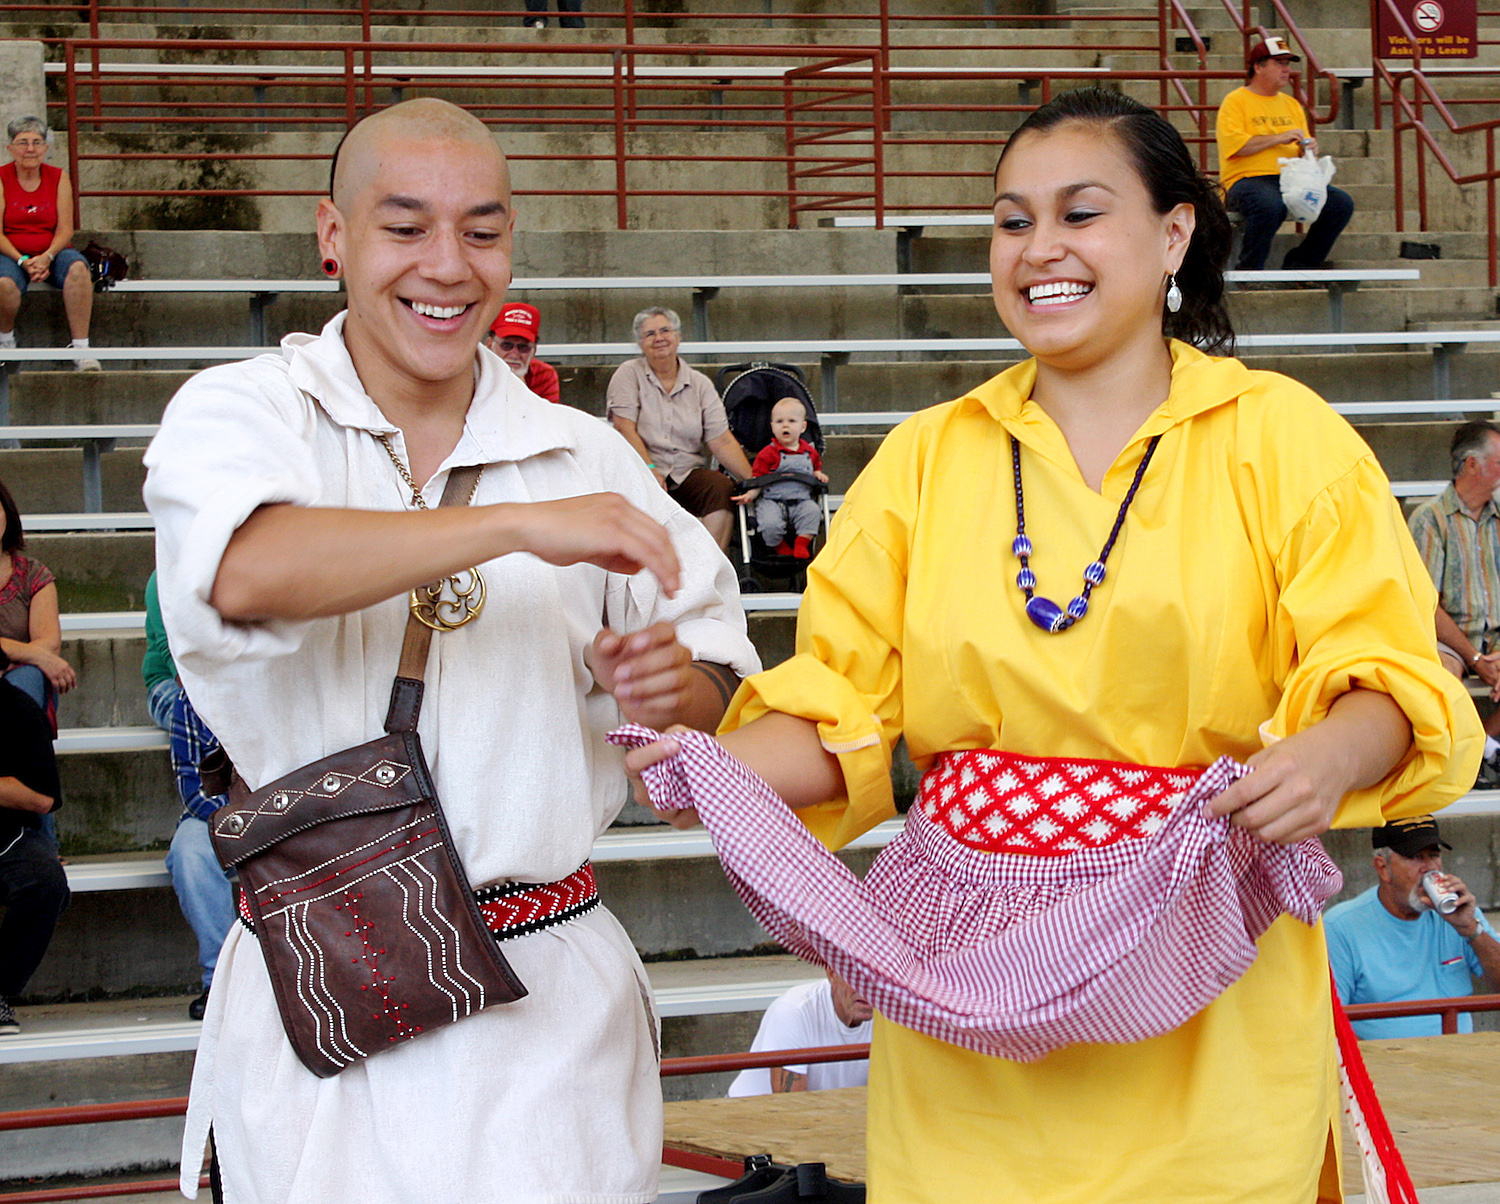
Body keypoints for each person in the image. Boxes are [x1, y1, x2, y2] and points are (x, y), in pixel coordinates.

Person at [625, 88, 1479, 1203]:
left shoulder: (1286, 437)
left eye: (1080, 214)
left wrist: (1326, 756)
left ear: (1174, 232)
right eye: (1012, 220)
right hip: (970, 1018)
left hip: (1208, 997)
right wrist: (703, 767)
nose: (1039, 251)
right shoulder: (929, 457)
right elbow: (840, 706)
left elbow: (1387, 674)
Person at [143, 98, 758, 1204]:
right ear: (332, 234)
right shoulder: (243, 409)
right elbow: (242, 569)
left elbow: (715, 662)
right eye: (406, 226)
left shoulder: (583, 452)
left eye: (481, 231)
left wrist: (681, 690)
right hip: (328, 993)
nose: (448, 265)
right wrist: (514, 522)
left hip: (548, 1008)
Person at [143, 571, 235, 1022]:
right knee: (190, 852)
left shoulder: (286, 689)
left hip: (282, 812)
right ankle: (219, 984)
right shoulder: (188, 701)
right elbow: (192, 787)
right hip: (219, 813)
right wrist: (236, 820)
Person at [1326, 814, 1500, 1040]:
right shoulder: (1341, 926)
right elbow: (1329, 1023)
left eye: (1434, 856)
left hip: (1458, 1060)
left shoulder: (1461, 914)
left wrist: (1471, 930)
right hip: (1386, 1065)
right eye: (1416, 857)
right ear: (1383, 868)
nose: (1429, 868)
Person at [606, 306, 757, 551]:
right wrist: (650, 469)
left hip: (686, 471)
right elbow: (624, 427)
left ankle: (706, 567)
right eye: (650, 334)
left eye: (665, 330)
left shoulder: (700, 384)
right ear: (640, 343)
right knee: (639, 491)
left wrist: (753, 480)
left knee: (720, 488)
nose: (659, 338)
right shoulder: (628, 374)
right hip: (642, 469)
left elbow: (721, 440)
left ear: (678, 337)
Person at [1408, 421, 1500, 784]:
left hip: (1494, 636)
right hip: (1448, 638)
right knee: (1442, 671)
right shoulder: (1430, 520)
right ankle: (1484, 754)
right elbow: (1426, 606)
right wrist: (1475, 658)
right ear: (1473, 465)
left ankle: (1485, 747)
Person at [1216, 36, 1355, 272]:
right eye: (1279, 63)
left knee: (1340, 204)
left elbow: (1302, 143)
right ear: (1258, 67)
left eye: (1288, 64)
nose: (1286, 70)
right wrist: (1279, 138)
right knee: (1270, 205)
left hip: (1290, 179)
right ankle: (1250, 271)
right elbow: (1236, 146)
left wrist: (1309, 149)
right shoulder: (1236, 101)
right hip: (1245, 180)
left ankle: (1302, 265)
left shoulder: (1291, 104)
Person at [0, 475, 76, 848]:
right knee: (28, 680)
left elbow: (49, 641)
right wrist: (27, 652)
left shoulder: (33, 574)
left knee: (28, 684)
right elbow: (38, 650)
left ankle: (35, 841)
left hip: (18, 690)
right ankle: (40, 841)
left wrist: (28, 657)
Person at [0, 660, 69, 1035]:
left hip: (7, 835)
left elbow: (42, 798)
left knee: (46, 882)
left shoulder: (19, 710)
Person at [0, 117, 99, 371]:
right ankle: (6, 343)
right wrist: (23, 260)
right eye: (22, 142)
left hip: (52, 252)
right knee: (3, 285)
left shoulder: (58, 178)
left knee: (78, 269)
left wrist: (47, 257)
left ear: (46, 148)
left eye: (36, 142)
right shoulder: (1, 177)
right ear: (10, 148)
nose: (30, 149)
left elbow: (65, 229)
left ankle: (81, 348)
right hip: (10, 253)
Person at [727, 970, 873, 1097]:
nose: (867, 987)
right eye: (856, 976)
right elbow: (791, 1107)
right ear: (832, 973)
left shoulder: (890, 1012)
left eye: (877, 977)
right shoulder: (793, 1010)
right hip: (752, 1115)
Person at [733, 396, 829, 559]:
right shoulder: (767, 454)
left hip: (801, 499)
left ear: (803, 426)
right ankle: (778, 545)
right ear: (772, 427)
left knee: (812, 512)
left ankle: (802, 543)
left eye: (791, 421)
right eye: (779, 421)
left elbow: (814, 468)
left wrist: (817, 474)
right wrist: (750, 495)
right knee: (769, 522)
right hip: (772, 500)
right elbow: (758, 478)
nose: (785, 425)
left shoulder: (810, 453)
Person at [483, 300, 561, 402]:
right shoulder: (471, 374)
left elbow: (550, 416)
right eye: (506, 345)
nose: (514, 355)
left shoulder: (544, 374)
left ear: (534, 351)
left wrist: (520, 389)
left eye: (523, 347)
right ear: (489, 345)